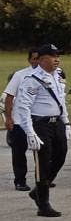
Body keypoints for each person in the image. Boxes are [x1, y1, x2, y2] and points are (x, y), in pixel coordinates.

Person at [13, 44, 69, 217]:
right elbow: (23, 107)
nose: (57, 59)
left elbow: (61, 99)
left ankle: (38, 190)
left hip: (56, 123)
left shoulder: (58, 75)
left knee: (61, 155)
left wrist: (66, 122)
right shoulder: (32, 79)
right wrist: (30, 132)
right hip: (40, 124)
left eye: (57, 56)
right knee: (43, 164)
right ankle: (43, 203)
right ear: (42, 59)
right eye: (52, 57)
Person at [3, 48, 39, 191]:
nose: (37, 61)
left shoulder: (49, 76)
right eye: (34, 58)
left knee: (42, 152)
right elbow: (9, 97)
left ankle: (42, 179)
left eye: (39, 58)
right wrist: (9, 118)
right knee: (19, 153)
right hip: (20, 121)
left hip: (39, 121)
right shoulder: (20, 75)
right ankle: (20, 181)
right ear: (29, 60)